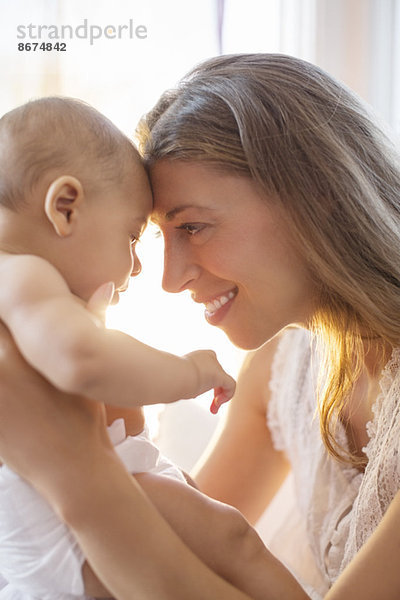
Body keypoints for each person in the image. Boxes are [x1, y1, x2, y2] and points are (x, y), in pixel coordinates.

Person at [0, 52, 400, 599]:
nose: (168, 279)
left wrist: (78, 475)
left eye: (194, 226)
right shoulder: (284, 366)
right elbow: (188, 545)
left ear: (315, 193)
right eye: (159, 237)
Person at [0, 97, 278, 600]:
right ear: (65, 207)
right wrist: (191, 372)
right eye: (132, 237)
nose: (140, 267)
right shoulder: (20, 274)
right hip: (65, 513)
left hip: (56, 511)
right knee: (233, 540)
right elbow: (80, 359)